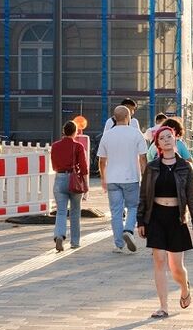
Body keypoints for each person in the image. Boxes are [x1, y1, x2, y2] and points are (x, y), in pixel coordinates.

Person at [136, 128, 193, 318]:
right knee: (159, 260)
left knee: (176, 267)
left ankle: (184, 287)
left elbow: (192, 197)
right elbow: (144, 194)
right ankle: (163, 306)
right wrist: (141, 220)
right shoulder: (152, 167)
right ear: (157, 144)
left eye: (169, 137)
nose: (166, 140)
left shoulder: (185, 167)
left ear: (175, 139)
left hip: (176, 218)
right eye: (162, 138)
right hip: (156, 217)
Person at [98, 105, 148, 253]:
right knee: (133, 207)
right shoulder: (136, 133)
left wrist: (103, 177)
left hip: (112, 179)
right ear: (128, 117)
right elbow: (143, 158)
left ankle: (119, 244)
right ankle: (129, 230)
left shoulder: (107, 135)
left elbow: (102, 160)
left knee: (116, 212)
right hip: (131, 177)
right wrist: (145, 176)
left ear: (114, 118)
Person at [50, 120, 89, 252]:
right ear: (75, 132)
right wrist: (86, 185)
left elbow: (54, 165)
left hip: (60, 178)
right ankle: (75, 242)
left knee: (61, 211)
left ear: (63, 131)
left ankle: (59, 235)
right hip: (74, 180)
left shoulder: (55, 146)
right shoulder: (78, 146)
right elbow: (83, 167)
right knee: (75, 212)